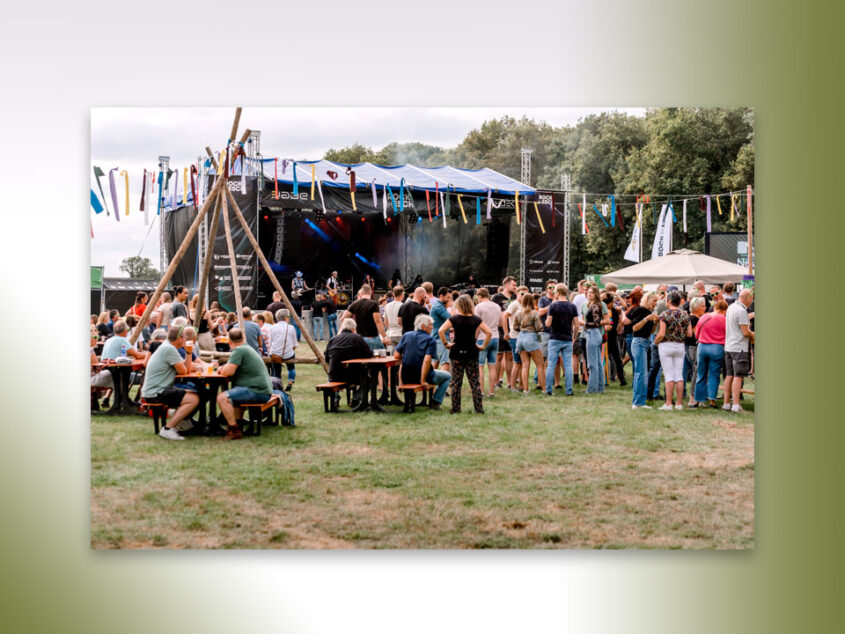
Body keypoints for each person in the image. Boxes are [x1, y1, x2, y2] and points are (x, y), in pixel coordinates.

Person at [141, 325, 200, 440]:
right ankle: (168, 429)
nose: (185, 340)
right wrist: (188, 353)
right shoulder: (169, 349)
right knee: (193, 398)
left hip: (156, 389)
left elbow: (185, 369)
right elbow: (183, 371)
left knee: (196, 392)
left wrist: (188, 353)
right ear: (179, 338)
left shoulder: (168, 347)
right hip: (155, 392)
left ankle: (182, 421)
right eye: (184, 337)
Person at [216, 328, 274, 440]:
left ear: (229, 341)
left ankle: (234, 430)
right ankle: (238, 424)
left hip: (257, 390)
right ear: (243, 338)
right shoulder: (246, 348)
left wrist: (221, 368)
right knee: (234, 399)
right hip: (262, 389)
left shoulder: (239, 350)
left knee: (222, 398)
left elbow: (229, 371)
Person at [439, 294, 491, 414]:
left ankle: (456, 408)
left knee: (456, 382)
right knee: (474, 382)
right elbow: (488, 332)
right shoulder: (476, 319)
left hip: (457, 352)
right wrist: (483, 346)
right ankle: (478, 409)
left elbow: (441, 330)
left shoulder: (454, 319)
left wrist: (446, 343)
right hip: (472, 352)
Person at [394, 314, 452, 410]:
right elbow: (427, 360)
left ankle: (409, 402)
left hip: (406, 376)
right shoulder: (430, 340)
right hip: (424, 375)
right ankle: (436, 402)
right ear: (423, 326)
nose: (432, 327)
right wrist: (423, 381)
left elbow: (396, 355)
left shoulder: (406, 335)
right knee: (447, 376)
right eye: (430, 325)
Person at [653, 291, 693, 410]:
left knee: (669, 375)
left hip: (666, 345)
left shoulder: (664, 314)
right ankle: (679, 404)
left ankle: (668, 403)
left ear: (669, 301)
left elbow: (661, 333)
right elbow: (690, 333)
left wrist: (655, 341)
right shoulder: (685, 314)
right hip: (680, 345)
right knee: (679, 375)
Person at [544, 283, 579, 396]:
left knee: (551, 365)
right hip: (567, 338)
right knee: (568, 365)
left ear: (557, 293)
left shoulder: (553, 306)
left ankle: (549, 389)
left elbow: (548, 324)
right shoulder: (572, 306)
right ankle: (569, 390)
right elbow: (577, 325)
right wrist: (573, 337)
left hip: (554, 337)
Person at [723, 289, 754, 413]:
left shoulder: (731, 307)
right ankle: (736, 405)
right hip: (739, 347)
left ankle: (726, 403)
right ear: (748, 298)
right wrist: (754, 334)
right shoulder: (741, 311)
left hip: (729, 346)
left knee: (729, 375)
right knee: (738, 376)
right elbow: (745, 332)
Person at [693, 299, 727, 408]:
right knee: (714, 374)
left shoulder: (703, 316)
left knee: (701, 374)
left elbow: (697, 335)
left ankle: (697, 400)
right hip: (717, 347)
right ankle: (712, 400)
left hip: (702, 347)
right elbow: (727, 333)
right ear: (724, 310)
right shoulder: (723, 318)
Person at [628, 289, 659, 409]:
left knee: (642, 372)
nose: (655, 303)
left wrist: (655, 323)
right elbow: (634, 328)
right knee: (641, 373)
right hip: (638, 342)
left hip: (645, 341)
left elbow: (649, 331)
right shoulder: (640, 311)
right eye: (654, 300)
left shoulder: (649, 312)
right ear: (647, 300)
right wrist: (647, 319)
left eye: (657, 301)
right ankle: (638, 402)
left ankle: (640, 400)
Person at [325, 318, 373, 393]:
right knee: (369, 380)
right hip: (353, 375)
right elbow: (369, 354)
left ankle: (335, 397)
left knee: (332, 375)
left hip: (333, 375)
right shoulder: (357, 338)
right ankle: (356, 398)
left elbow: (327, 359)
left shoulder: (333, 340)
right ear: (354, 329)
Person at [513, 292, 547, 394]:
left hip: (520, 339)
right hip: (531, 338)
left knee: (525, 365)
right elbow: (538, 327)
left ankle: (525, 390)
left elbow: (515, 327)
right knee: (540, 365)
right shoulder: (534, 313)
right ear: (532, 301)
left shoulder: (518, 313)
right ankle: (544, 389)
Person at [342, 284, 390, 352]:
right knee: (379, 359)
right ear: (371, 293)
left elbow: (343, 318)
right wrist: (385, 337)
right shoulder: (374, 304)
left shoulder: (355, 303)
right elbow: (378, 321)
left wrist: (353, 332)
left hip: (359, 339)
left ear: (361, 293)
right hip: (372, 338)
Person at [581, 286, 610, 394]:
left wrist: (584, 323)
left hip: (594, 333)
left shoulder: (599, 305)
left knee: (593, 364)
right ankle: (599, 388)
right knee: (597, 363)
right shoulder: (587, 305)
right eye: (588, 292)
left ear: (596, 294)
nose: (589, 294)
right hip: (591, 334)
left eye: (592, 293)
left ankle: (592, 389)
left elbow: (603, 322)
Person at [473, 288, 501, 397]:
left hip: (482, 338)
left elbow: (477, 325)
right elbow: (499, 322)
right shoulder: (497, 306)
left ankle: (481, 391)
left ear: (479, 296)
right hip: (495, 337)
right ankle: (491, 391)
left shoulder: (478, 307)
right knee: (492, 365)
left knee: (480, 366)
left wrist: (474, 338)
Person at [492, 276, 517, 389]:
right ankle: (497, 382)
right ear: (506, 285)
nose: (515, 287)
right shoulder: (497, 297)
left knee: (510, 356)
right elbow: (493, 312)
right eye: (514, 285)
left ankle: (510, 382)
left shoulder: (515, 297)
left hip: (513, 330)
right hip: (500, 331)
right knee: (498, 356)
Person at [684, 296, 707, 406]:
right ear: (697, 308)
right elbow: (696, 335)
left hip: (688, 347)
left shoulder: (690, 318)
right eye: (703, 306)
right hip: (693, 347)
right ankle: (693, 397)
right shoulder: (695, 319)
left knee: (695, 371)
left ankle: (696, 396)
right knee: (696, 371)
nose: (705, 308)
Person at [269, 309, 298, 391]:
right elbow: (295, 344)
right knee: (291, 367)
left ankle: (277, 382)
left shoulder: (272, 328)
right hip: (288, 354)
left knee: (276, 370)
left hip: (275, 354)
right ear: (286, 317)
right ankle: (290, 381)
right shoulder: (291, 328)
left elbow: (270, 342)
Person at [603, 292, 626, 386]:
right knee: (613, 359)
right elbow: (621, 323)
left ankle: (620, 379)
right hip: (608, 337)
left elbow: (621, 323)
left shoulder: (614, 310)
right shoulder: (609, 310)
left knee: (615, 359)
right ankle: (618, 379)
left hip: (610, 336)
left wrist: (617, 329)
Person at [383, 285, 405, 353]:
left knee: (393, 356)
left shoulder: (387, 306)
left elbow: (385, 321)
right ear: (402, 294)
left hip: (391, 333)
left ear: (393, 294)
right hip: (401, 333)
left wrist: (390, 328)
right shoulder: (403, 305)